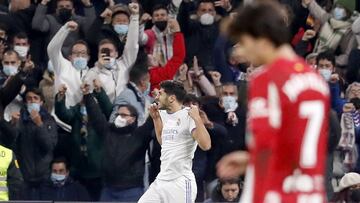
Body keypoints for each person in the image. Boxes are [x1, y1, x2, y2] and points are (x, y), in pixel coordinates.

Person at [217, 2, 330, 203]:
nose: (240, 51)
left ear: (262, 39)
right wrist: (248, 159)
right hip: (310, 193)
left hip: (275, 192)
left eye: (244, 42)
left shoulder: (267, 79)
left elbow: (265, 148)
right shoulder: (316, 80)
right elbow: (294, 143)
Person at [138, 80, 211, 203]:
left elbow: (206, 145)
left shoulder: (189, 116)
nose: (156, 97)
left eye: (160, 93)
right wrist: (156, 119)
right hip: (162, 180)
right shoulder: (163, 114)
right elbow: (163, 142)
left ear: (171, 98)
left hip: (180, 182)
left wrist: (197, 118)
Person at [82, 82, 154, 202]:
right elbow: (96, 116)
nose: (119, 117)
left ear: (133, 118)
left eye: (124, 115)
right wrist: (88, 95)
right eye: (118, 114)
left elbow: (152, 120)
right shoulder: (108, 131)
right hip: (108, 190)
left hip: (131, 190)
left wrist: (161, 102)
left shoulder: (139, 135)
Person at [84, 2, 139, 103]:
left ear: (117, 53)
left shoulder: (124, 64)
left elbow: (132, 45)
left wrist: (135, 17)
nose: (107, 54)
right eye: (103, 51)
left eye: (110, 51)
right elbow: (87, 90)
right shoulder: (92, 72)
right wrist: (99, 68)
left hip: (124, 112)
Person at [15, 88, 58, 200]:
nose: (32, 101)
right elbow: (12, 147)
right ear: (25, 103)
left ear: (41, 102)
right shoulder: (19, 120)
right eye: (29, 99)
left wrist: (39, 125)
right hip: (24, 177)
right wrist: (12, 125)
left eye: (36, 98)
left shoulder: (49, 120)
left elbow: (49, 146)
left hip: (44, 177)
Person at [48, 20, 91, 107]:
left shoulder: (93, 74)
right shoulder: (62, 66)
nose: (79, 56)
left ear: (88, 57)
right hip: (59, 118)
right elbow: (52, 49)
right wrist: (65, 29)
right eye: (76, 53)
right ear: (70, 57)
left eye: (83, 53)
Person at [32, 0, 96, 57]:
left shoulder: (79, 20)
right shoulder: (50, 19)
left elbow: (91, 29)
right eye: (61, 7)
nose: (64, 8)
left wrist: (88, 5)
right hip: (54, 59)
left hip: (73, 58)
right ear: (56, 10)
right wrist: (43, 3)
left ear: (73, 10)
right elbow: (37, 26)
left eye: (68, 6)